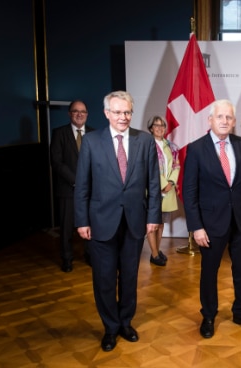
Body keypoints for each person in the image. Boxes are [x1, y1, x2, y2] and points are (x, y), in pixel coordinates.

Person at [74, 91, 161, 352]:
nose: (123, 117)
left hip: (135, 222)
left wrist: (153, 217)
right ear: (107, 113)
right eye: (118, 112)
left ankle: (125, 323)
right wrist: (81, 220)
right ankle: (110, 328)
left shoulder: (145, 141)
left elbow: (154, 184)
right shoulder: (91, 142)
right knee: (104, 279)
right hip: (101, 222)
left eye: (127, 112)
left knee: (130, 277)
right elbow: (82, 186)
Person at [182, 99, 241, 339]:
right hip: (210, 224)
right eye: (220, 117)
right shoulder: (196, 149)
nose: (225, 121)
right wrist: (196, 226)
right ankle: (208, 315)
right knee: (209, 271)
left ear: (234, 121)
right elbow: (189, 192)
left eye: (229, 117)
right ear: (210, 120)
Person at [50, 100, 94, 272]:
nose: (79, 114)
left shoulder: (93, 133)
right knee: (67, 227)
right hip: (68, 189)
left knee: (90, 225)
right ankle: (67, 259)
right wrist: (76, 181)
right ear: (69, 114)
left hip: (91, 190)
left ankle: (89, 255)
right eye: (75, 111)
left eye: (83, 111)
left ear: (87, 114)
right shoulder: (59, 133)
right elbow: (57, 162)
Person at [146, 115, 180, 266]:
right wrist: (162, 183)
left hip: (169, 190)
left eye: (162, 125)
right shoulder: (146, 145)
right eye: (156, 125)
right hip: (152, 189)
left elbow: (176, 166)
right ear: (151, 128)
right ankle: (154, 255)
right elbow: (148, 168)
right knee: (152, 223)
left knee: (160, 223)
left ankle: (157, 250)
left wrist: (171, 182)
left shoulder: (172, 146)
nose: (160, 128)